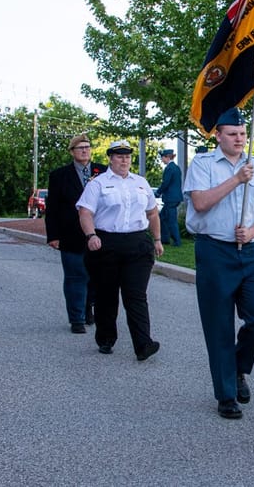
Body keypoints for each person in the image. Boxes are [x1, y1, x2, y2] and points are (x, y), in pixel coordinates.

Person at [183, 107, 254, 420]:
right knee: (219, 326)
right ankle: (226, 395)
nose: (240, 139)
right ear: (218, 135)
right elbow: (200, 203)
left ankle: (238, 368)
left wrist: (252, 230)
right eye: (233, 134)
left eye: (243, 134)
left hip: (248, 250)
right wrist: (236, 180)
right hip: (214, 251)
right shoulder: (203, 164)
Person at [77, 140, 163, 360]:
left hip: (137, 245)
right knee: (107, 295)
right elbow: (85, 213)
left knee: (136, 295)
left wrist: (157, 239)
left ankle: (143, 344)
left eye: (127, 156)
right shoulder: (98, 184)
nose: (124, 160)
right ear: (110, 158)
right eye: (119, 156)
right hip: (107, 244)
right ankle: (106, 338)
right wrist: (91, 235)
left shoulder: (141, 183)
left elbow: (152, 213)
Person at [45, 134, 106, 334]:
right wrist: (53, 235)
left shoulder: (103, 172)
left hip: (99, 233)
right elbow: (52, 208)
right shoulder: (60, 175)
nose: (84, 150)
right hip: (70, 233)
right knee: (75, 276)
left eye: (87, 147)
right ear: (72, 151)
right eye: (80, 148)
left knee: (96, 277)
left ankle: (89, 308)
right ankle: (76, 318)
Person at [155, 149, 183, 247]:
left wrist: (158, 192)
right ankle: (165, 239)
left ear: (167, 157)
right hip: (175, 198)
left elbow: (166, 183)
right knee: (162, 218)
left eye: (162, 157)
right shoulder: (176, 168)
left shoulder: (169, 168)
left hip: (170, 198)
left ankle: (176, 241)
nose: (162, 160)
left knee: (171, 220)